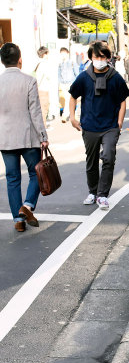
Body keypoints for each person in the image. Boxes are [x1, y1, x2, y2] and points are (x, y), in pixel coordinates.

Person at [68, 41, 129, 210]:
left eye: (103, 56)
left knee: (109, 157)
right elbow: (73, 96)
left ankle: (102, 195)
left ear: (108, 58)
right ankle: (93, 192)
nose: (99, 59)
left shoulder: (115, 77)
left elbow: (123, 100)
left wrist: (119, 122)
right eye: (96, 56)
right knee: (91, 161)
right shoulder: (83, 77)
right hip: (89, 126)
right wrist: (73, 118)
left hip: (110, 126)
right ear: (91, 58)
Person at [0, 43, 48, 232]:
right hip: (28, 136)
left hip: (5, 138)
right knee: (36, 173)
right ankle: (27, 207)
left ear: (2, 61)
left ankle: (17, 220)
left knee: (12, 178)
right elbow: (35, 112)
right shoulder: (29, 80)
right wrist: (43, 136)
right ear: (20, 59)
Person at [58, 47, 78, 122]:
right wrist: (60, 83)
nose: (63, 55)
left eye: (64, 54)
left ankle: (66, 115)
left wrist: (76, 84)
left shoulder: (72, 63)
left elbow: (77, 74)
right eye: (61, 54)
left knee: (70, 99)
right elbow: (59, 75)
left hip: (71, 83)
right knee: (68, 99)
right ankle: (72, 115)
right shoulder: (60, 64)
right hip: (64, 84)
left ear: (67, 53)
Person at [34, 46, 52, 123]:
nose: (48, 56)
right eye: (47, 54)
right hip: (42, 91)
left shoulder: (40, 64)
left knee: (43, 111)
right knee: (43, 111)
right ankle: (42, 131)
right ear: (44, 54)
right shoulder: (42, 65)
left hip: (42, 90)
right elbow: (39, 79)